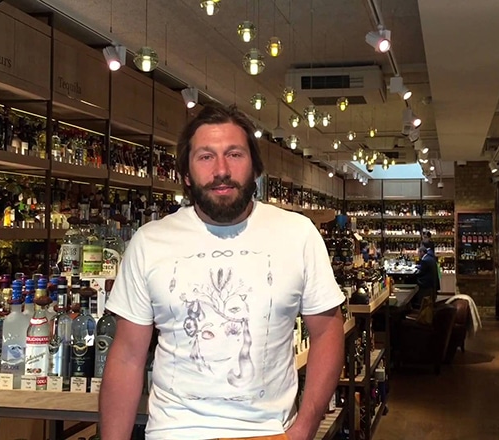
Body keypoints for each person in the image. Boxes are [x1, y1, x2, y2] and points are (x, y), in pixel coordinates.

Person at [99, 102, 345, 440]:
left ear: (255, 168)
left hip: (268, 434)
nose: (221, 170)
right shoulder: (149, 241)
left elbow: (327, 331)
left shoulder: (298, 234)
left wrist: (302, 431)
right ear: (186, 174)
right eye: (205, 156)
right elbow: (127, 356)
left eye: (234, 154)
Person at [411, 245, 440, 310]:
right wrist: (417, 266)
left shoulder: (425, 260)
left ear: (422, 252)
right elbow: (423, 267)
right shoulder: (429, 258)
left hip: (426, 282)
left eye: (418, 253)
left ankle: (414, 303)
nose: (417, 255)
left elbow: (420, 273)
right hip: (432, 281)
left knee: (411, 280)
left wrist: (413, 273)